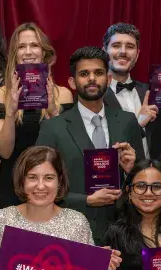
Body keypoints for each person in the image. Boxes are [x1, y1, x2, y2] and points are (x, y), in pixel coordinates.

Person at [0, 145, 122, 270]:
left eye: (49, 178)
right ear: (21, 180)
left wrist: (99, 262)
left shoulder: (76, 222)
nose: (40, 186)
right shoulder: (3, 219)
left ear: (60, 181)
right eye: (32, 177)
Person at [35, 46, 144, 245]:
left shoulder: (128, 121)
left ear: (108, 79)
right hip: (70, 234)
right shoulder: (53, 128)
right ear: (72, 82)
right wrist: (86, 200)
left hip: (123, 234)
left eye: (99, 73)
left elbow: (144, 181)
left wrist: (131, 170)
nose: (92, 78)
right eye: (84, 74)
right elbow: (38, 187)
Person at [0, 22, 74, 210]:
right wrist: (11, 112)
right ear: (14, 54)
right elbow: (4, 151)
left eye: (34, 45)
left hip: (50, 185)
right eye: (21, 46)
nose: (28, 52)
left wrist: (53, 112)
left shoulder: (63, 94)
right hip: (12, 184)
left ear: (44, 52)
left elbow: (68, 149)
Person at [102, 23, 161, 159]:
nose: (123, 51)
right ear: (105, 51)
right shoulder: (93, 96)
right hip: (116, 178)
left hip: (155, 176)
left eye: (130, 46)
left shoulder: (153, 91)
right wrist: (137, 124)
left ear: (137, 54)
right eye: (116, 45)